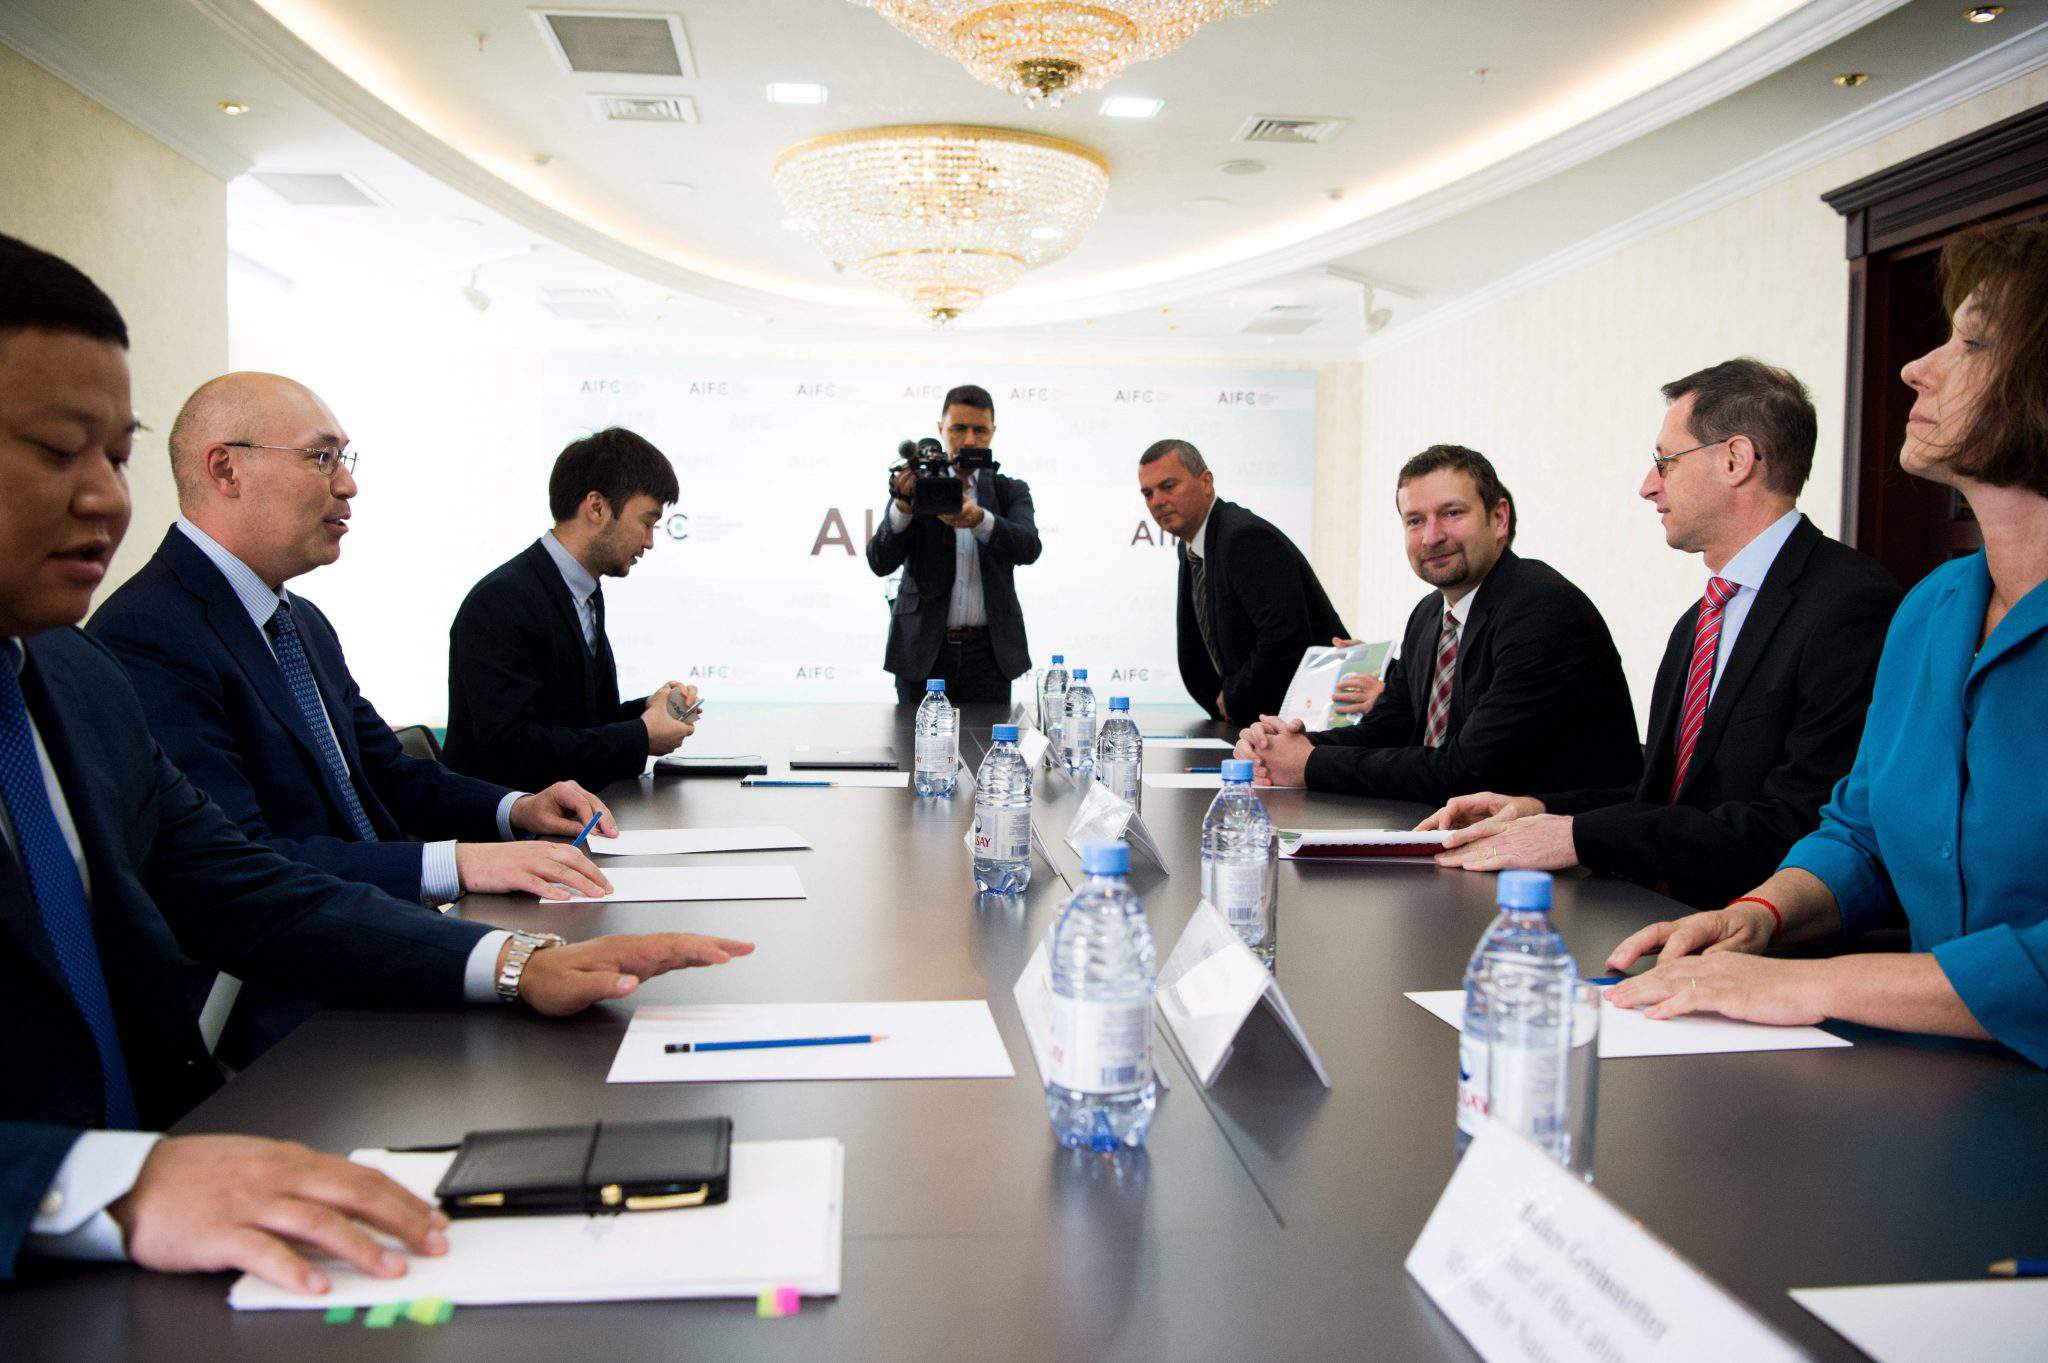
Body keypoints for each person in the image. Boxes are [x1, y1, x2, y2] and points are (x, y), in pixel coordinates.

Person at [0, 231, 753, 1289]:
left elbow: (239, 882)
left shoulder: (73, 674)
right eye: (56, 451)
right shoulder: (140, 639)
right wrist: (100, 1181)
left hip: (185, 1191)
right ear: (225, 469)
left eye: (116, 458)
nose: (107, 500)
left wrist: (513, 961)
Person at [1603, 222, 2048, 1067]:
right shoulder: (1931, 609)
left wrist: (1810, 984)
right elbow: (1859, 833)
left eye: (1973, 342)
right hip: (1936, 1078)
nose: (1917, 367)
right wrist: (1758, 915)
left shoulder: (1857, 598)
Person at [88, 372, 620, 1062]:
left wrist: (518, 809)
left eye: (345, 459)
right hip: (295, 996)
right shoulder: (147, 633)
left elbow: (390, 774)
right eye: (322, 457)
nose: (348, 485)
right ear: (226, 469)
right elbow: (243, 866)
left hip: (387, 937)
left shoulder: (300, 620)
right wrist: (462, 863)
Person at [1424, 360, 1900, 909]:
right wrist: (1540, 810)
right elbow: (1668, 798)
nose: (1648, 487)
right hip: (1651, 915)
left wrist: (1577, 836)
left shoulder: (1851, 604)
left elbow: (1800, 825)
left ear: (1735, 459)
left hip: (1757, 935)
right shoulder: (1698, 620)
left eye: (1665, 462)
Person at [1236, 445, 1641, 805]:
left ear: (1499, 518)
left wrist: (1310, 763)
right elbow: (1384, 731)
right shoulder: (1429, 615)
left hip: (1563, 851)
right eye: (1415, 521)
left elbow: (1467, 771)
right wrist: (1285, 746)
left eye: (1451, 513)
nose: (1431, 537)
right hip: (1455, 831)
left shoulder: (1543, 610)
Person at [444, 427, 696, 793]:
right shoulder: (499, 603)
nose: (650, 541)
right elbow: (512, 749)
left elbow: (581, 726)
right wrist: (640, 735)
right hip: (508, 824)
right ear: (597, 507)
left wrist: (648, 710)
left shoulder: (583, 592)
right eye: (646, 522)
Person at [1137, 438, 1348, 723]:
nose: (1157, 501)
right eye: (1148, 493)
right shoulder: (1190, 547)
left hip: (1306, 719)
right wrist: (1221, 703)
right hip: (1252, 720)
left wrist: (1234, 698)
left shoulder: (1244, 538)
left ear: (1206, 482)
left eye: (1168, 486)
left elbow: (1283, 639)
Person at [865, 384, 1041, 704]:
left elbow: (1029, 547)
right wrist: (902, 508)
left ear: (993, 432)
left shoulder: (1009, 491)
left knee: (990, 737)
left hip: (990, 655)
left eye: (980, 430)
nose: (969, 440)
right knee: (914, 738)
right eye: (959, 428)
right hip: (922, 650)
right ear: (941, 429)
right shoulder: (917, 485)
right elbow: (879, 561)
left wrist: (980, 519)